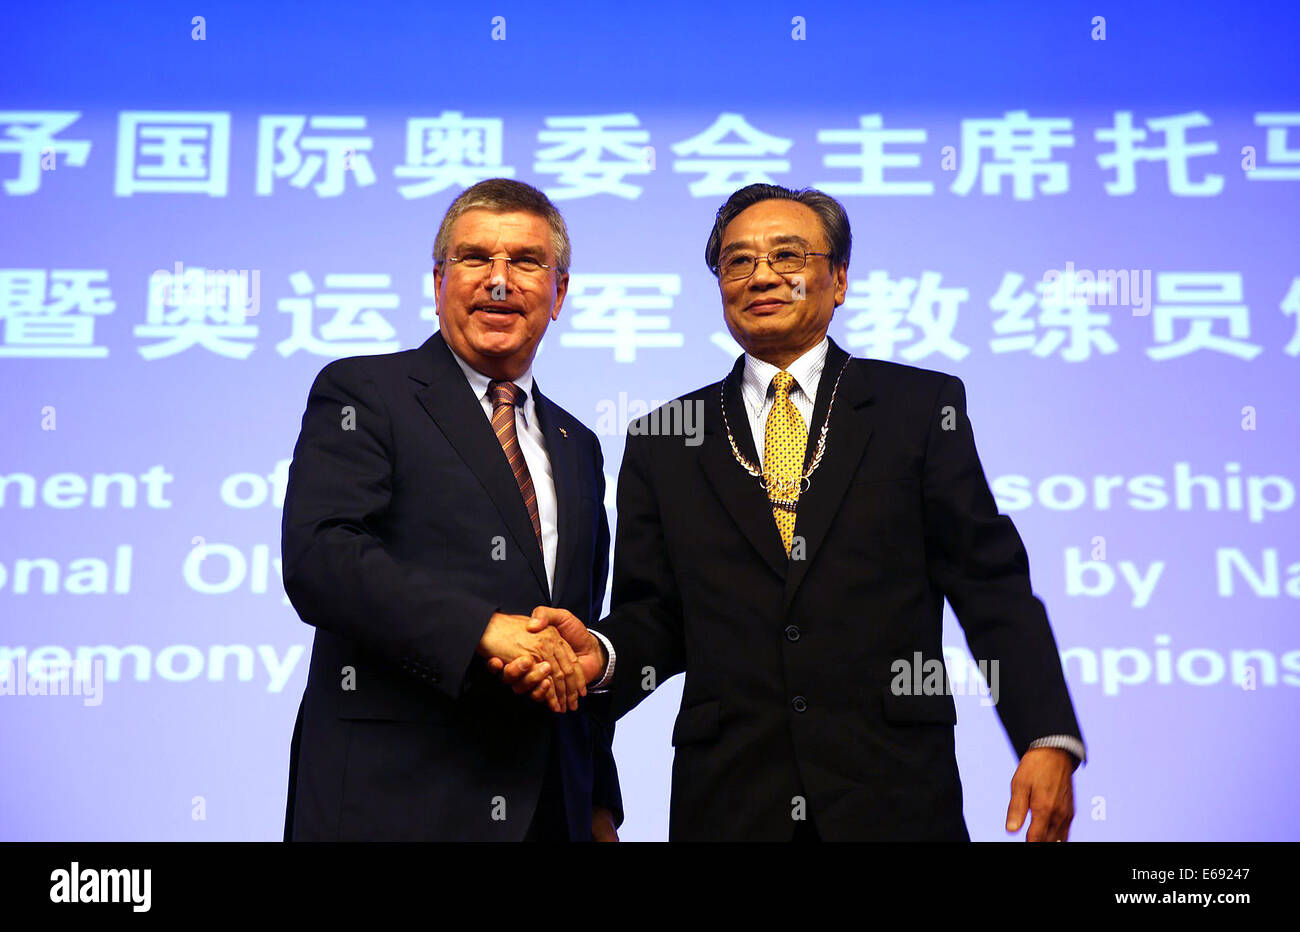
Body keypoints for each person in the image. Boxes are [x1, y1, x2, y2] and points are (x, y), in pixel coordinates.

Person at [498, 183, 1085, 841]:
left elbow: (991, 586)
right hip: (729, 802)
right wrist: (601, 655)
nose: (762, 276)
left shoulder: (916, 411)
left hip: (892, 794)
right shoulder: (666, 438)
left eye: (788, 255)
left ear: (837, 280)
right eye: (737, 261)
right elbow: (656, 620)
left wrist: (1045, 734)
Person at [281, 178, 620, 841]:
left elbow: (570, 637)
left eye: (525, 262)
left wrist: (598, 805)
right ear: (438, 280)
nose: (499, 281)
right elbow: (322, 557)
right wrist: (482, 629)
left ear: (560, 292)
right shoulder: (366, 391)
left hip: (550, 811)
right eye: (474, 259)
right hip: (393, 805)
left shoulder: (577, 443)